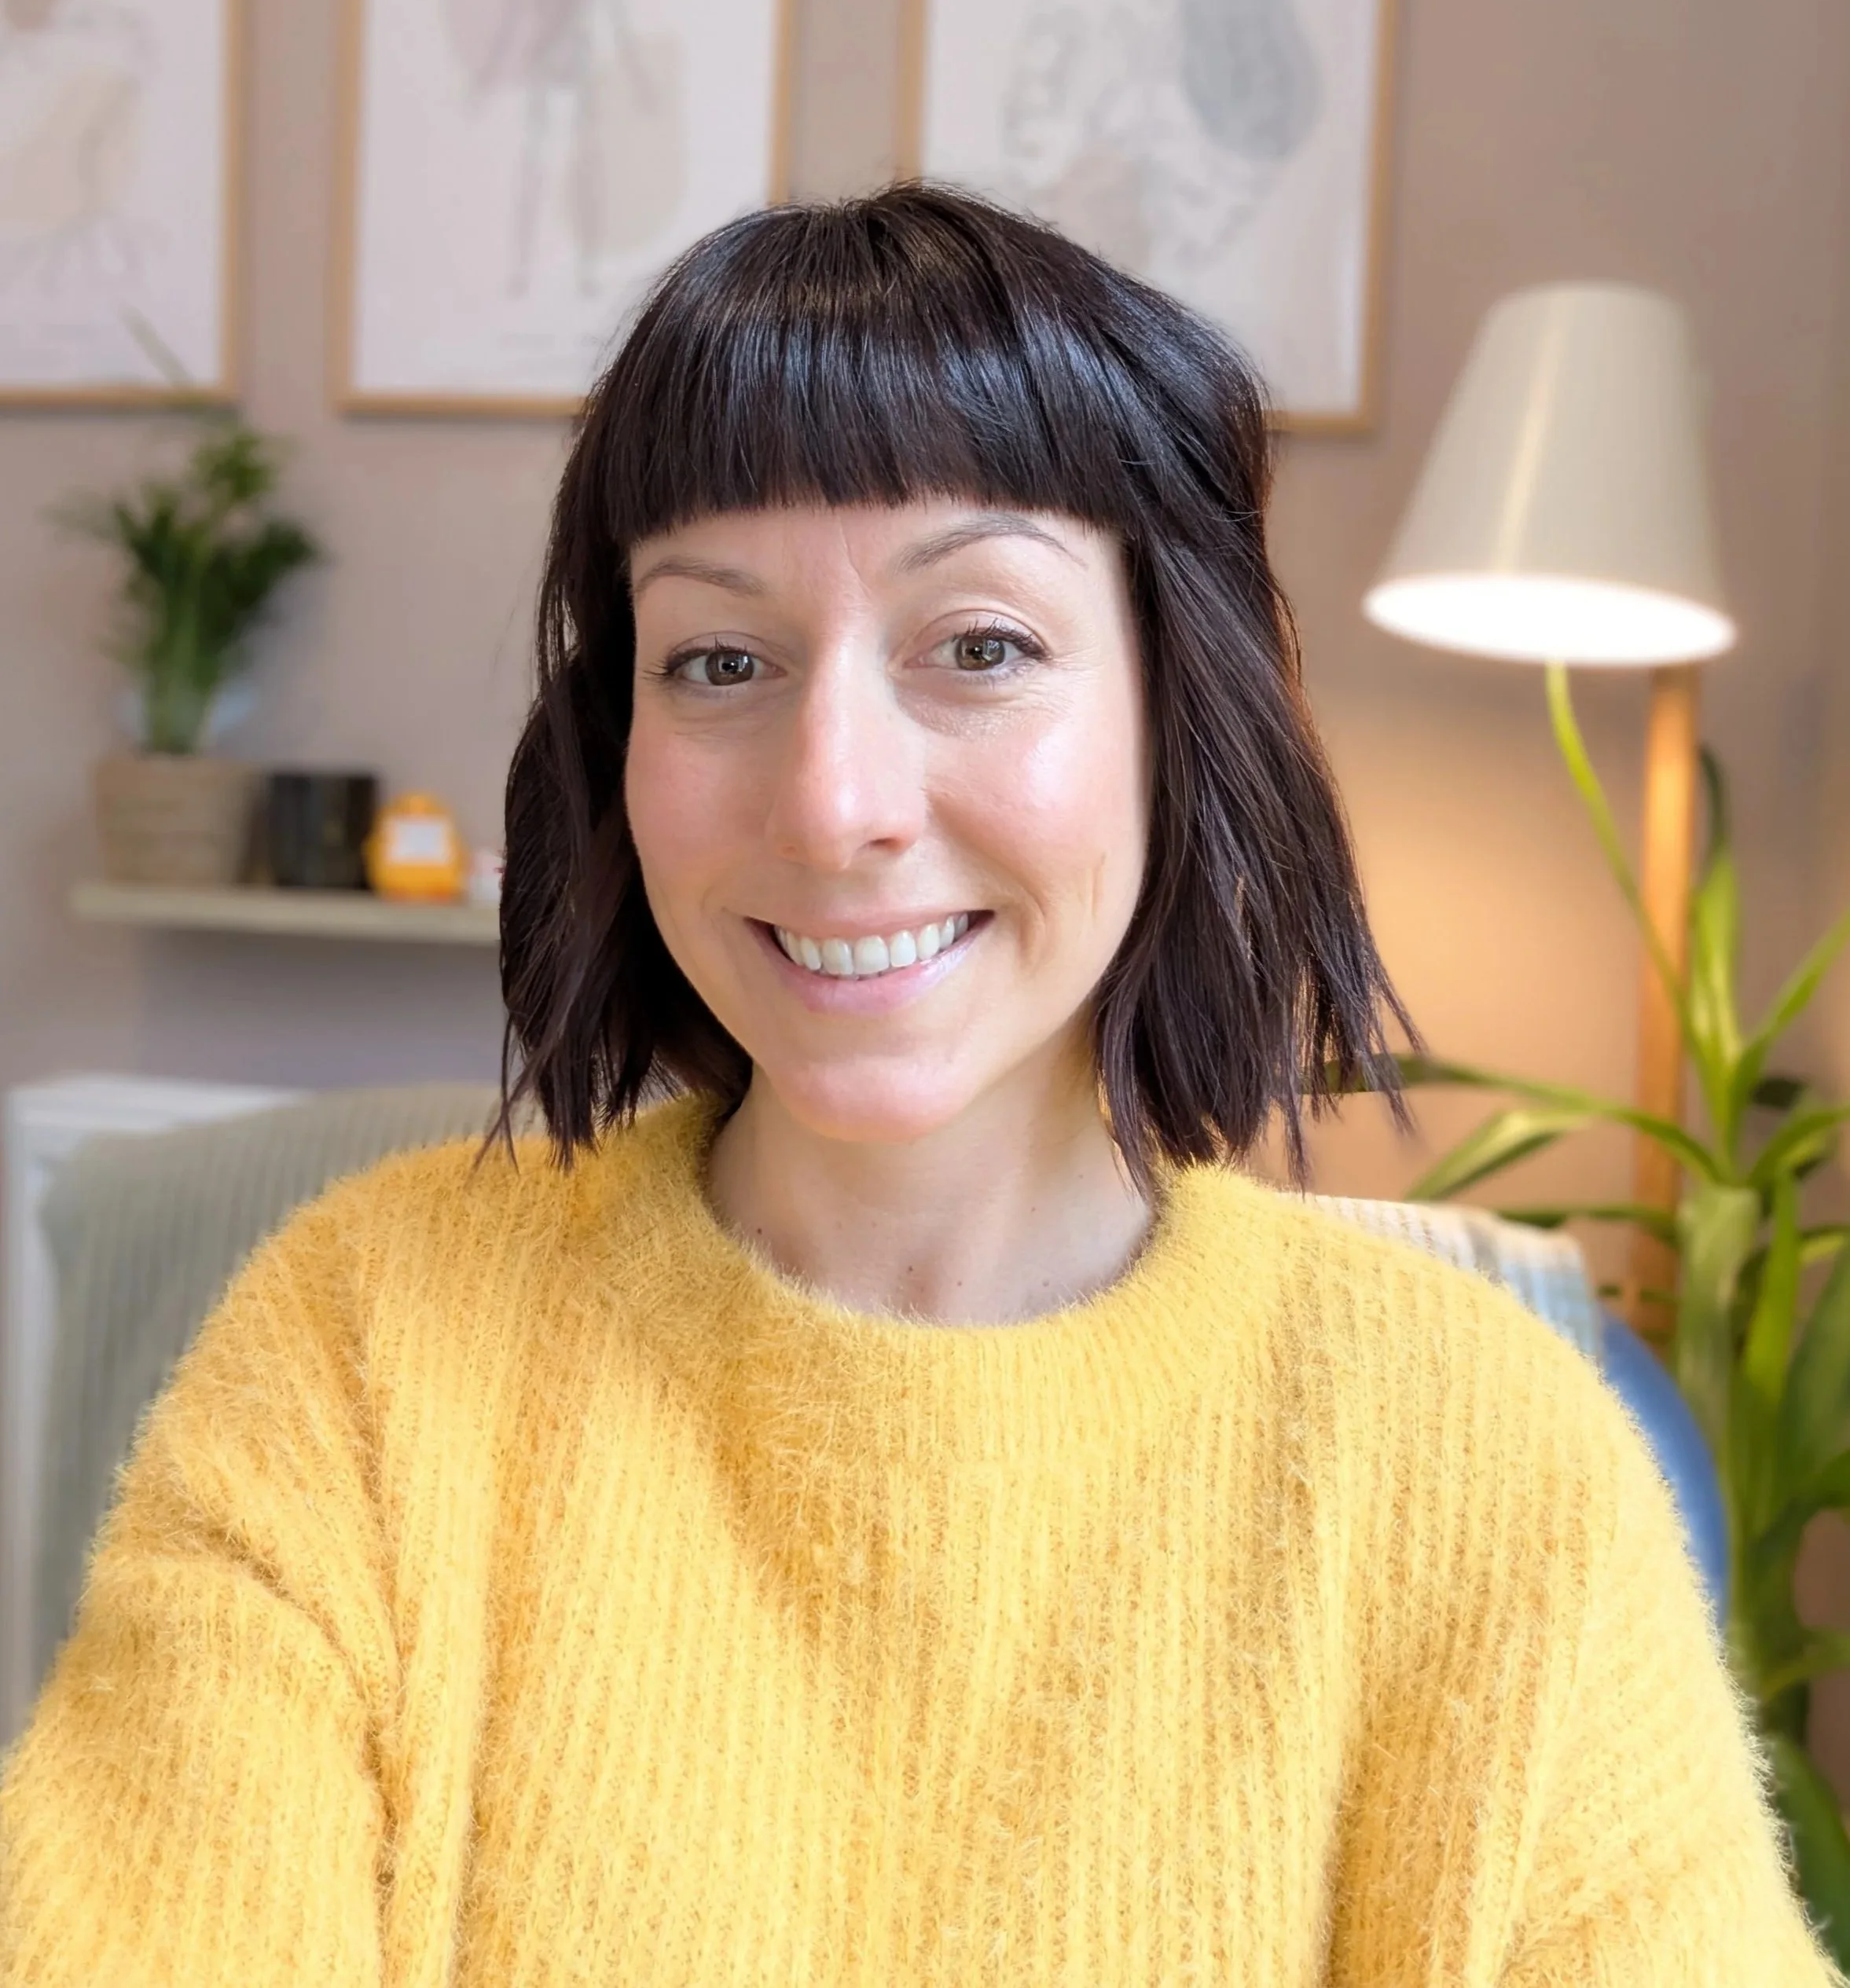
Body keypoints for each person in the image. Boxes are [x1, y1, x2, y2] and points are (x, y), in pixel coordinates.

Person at [2, 185, 1837, 1985]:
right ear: (613, 752)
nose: (834, 801)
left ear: (1174, 709)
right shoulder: (355, 1350)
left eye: (980, 648)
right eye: (718, 660)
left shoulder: (1485, 1466)